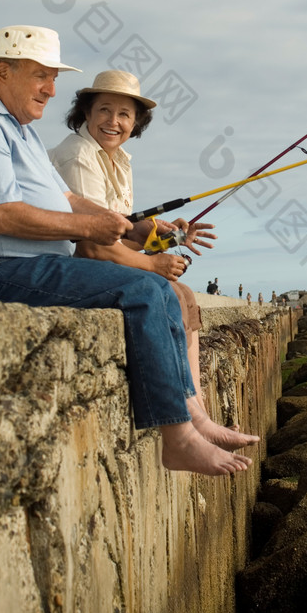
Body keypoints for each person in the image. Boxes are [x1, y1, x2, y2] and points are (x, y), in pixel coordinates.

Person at [0, 26, 254, 477]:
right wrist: (92, 226)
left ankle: (190, 421)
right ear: (2, 71)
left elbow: (67, 200)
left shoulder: (16, 126)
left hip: (27, 264)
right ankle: (179, 438)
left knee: (160, 290)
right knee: (146, 290)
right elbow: (1, 217)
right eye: (41, 75)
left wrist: (138, 227)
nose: (51, 88)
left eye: (54, 77)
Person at [48, 69, 258, 453]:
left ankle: (197, 409)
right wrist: (154, 265)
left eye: (124, 114)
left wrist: (172, 236)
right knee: (169, 292)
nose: (114, 122)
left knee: (184, 294)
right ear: (86, 113)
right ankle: (190, 414)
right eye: (105, 111)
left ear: (136, 122)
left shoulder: (118, 158)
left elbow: (123, 228)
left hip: (101, 256)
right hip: (74, 264)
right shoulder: (78, 156)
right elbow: (91, 241)